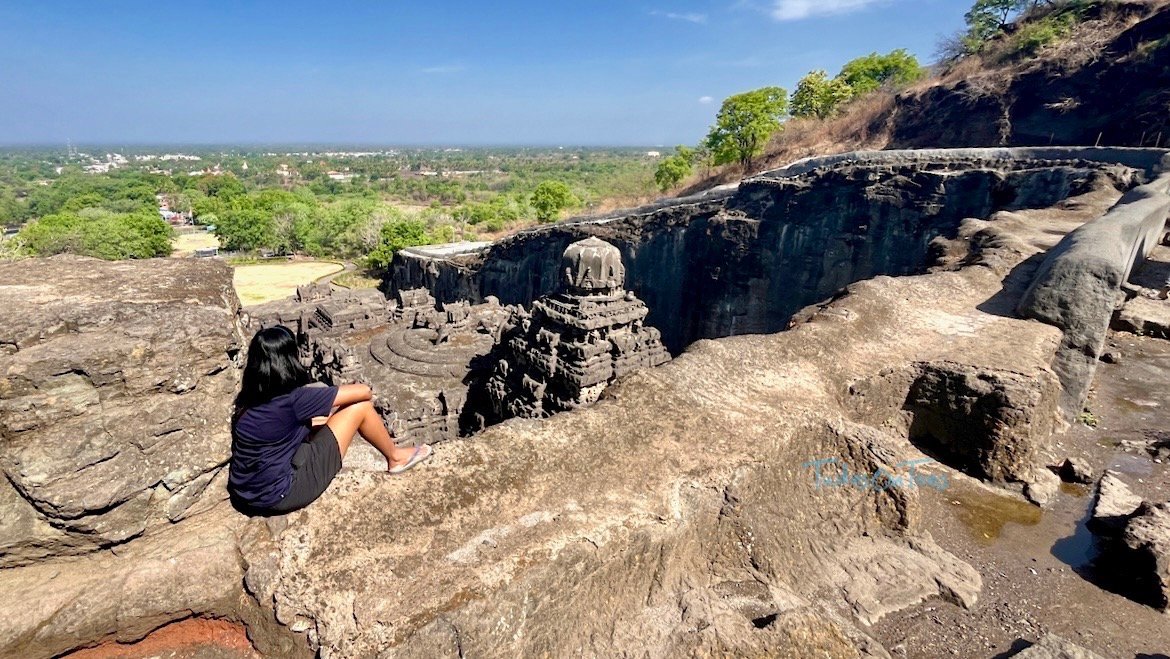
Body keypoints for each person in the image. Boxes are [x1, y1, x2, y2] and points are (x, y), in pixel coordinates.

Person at [228, 325, 432, 515]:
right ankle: (395, 457)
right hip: (278, 495)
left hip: (243, 493)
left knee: (320, 422)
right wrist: (346, 391)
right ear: (289, 360)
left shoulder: (247, 399)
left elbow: (282, 432)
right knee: (359, 408)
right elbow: (364, 392)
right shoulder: (294, 400)